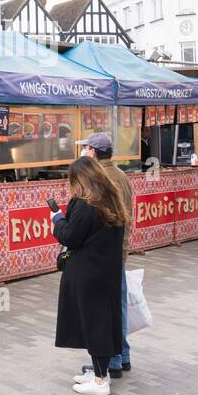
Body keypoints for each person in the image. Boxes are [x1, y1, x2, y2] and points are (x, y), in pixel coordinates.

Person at [53, 156, 129, 395]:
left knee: (94, 325)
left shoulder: (87, 205)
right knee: (100, 322)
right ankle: (99, 371)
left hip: (89, 272)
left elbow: (71, 237)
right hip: (105, 272)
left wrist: (57, 220)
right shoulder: (110, 199)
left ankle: (99, 380)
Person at [74, 132, 133, 380]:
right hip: (118, 248)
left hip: (102, 252)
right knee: (117, 302)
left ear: (94, 151)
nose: (84, 152)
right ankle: (123, 354)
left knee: (105, 308)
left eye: (86, 148)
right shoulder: (121, 175)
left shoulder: (99, 179)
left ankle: (112, 361)